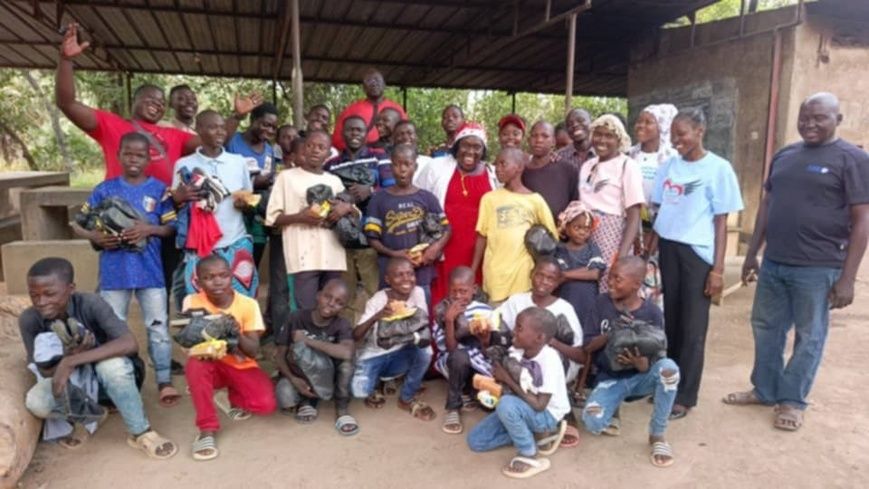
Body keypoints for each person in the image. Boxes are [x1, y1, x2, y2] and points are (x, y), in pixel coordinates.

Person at [724, 92, 869, 431]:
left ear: (838, 120)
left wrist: (848, 278)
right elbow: (768, 204)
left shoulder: (852, 159)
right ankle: (765, 389)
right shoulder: (786, 154)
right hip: (775, 261)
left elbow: (863, 219)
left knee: (809, 334)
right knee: (766, 328)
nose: (810, 124)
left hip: (818, 267)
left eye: (819, 118)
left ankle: (792, 400)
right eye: (805, 118)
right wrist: (751, 253)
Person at [20, 258, 177, 458]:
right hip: (74, 385)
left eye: (50, 294)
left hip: (110, 382)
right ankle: (91, 413)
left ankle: (141, 433)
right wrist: (67, 357)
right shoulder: (29, 319)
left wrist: (73, 360)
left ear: (71, 288)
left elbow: (129, 343)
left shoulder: (90, 303)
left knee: (112, 367)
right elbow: (42, 370)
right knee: (37, 402)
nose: (41, 302)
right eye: (34, 295)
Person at [649, 108, 743, 420]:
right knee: (671, 321)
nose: (676, 141)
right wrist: (648, 249)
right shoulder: (669, 167)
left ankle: (685, 396)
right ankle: (668, 384)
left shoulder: (718, 169)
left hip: (696, 255)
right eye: (672, 135)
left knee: (693, 327)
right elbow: (659, 211)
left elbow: (720, 222)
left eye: (682, 134)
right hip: (668, 248)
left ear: (700, 130)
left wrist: (717, 270)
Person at [73, 132, 180, 408]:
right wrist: (93, 237)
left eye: (140, 155)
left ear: (148, 158)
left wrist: (149, 229)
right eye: (128, 154)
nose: (134, 159)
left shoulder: (159, 190)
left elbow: (171, 227)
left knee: (158, 329)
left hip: (151, 272)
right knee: (114, 329)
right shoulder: (104, 190)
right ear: (119, 155)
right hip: (113, 273)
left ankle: (165, 382)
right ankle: (122, 382)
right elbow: (77, 222)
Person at [580, 257, 679, 468]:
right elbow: (587, 347)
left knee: (669, 370)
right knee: (593, 421)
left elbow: (656, 358)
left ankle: (657, 435)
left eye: (618, 279)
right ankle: (613, 404)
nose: (611, 283)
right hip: (609, 379)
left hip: (641, 378)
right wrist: (611, 333)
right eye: (611, 277)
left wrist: (640, 364)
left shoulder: (652, 313)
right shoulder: (601, 303)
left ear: (637, 284)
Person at [183, 255, 276, 461]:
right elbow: (188, 343)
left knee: (265, 404)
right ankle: (206, 429)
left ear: (231, 276)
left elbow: (252, 351)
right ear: (198, 282)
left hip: (240, 364)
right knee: (195, 364)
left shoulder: (248, 304)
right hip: (210, 364)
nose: (217, 282)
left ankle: (228, 397)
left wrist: (236, 332)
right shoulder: (192, 302)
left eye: (223, 276)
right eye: (209, 277)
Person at [467, 307, 570, 479]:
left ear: (539, 338)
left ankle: (529, 452)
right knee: (476, 441)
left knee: (506, 403)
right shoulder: (518, 349)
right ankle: (531, 435)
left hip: (546, 414)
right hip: (522, 407)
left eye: (519, 328)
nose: (514, 331)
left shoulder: (550, 360)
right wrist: (485, 343)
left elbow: (540, 405)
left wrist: (507, 379)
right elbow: (496, 359)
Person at [172, 110, 258, 301]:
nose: (220, 132)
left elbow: (249, 198)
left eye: (222, 127)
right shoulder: (183, 164)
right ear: (199, 129)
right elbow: (177, 205)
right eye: (213, 127)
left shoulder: (238, 162)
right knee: (201, 302)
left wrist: (244, 203)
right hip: (200, 245)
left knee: (241, 298)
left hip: (235, 241)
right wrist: (179, 198)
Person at [266, 130, 357, 310]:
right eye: (311, 146)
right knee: (304, 309)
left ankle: (326, 339)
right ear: (303, 149)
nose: (315, 150)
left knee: (330, 308)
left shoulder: (334, 181)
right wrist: (301, 217)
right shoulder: (286, 178)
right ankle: (301, 339)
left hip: (333, 254)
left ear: (329, 154)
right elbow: (273, 218)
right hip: (302, 256)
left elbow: (355, 214)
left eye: (321, 147)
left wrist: (345, 208)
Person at [417, 122, 498, 307]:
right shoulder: (436, 167)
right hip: (444, 246)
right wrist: (427, 243)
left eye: (477, 146)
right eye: (465, 145)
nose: (470, 151)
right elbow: (418, 199)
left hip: (478, 250)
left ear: (483, 150)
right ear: (456, 146)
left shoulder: (493, 174)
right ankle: (440, 334)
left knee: (472, 295)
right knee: (443, 292)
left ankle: (469, 334)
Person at [351, 257, 436, 421]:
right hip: (374, 356)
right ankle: (378, 381)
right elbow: (356, 335)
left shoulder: (417, 292)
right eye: (399, 275)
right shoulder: (377, 300)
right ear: (388, 280)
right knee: (359, 390)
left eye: (410, 274)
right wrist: (377, 316)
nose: (406, 279)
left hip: (400, 354)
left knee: (425, 351)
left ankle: (406, 398)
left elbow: (424, 327)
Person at [365, 144, 452, 302]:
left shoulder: (427, 198)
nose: (402, 169)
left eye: (407, 164)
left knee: (422, 317)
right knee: (392, 317)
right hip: (392, 276)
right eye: (397, 165)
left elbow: (446, 229)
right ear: (391, 167)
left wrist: (435, 248)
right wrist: (395, 254)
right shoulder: (379, 199)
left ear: (415, 166)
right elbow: (372, 239)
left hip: (421, 274)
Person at [274, 279, 359, 436]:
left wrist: (308, 341)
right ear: (318, 296)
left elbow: (347, 352)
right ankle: (308, 400)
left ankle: (342, 408)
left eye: (339, 302)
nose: (331, 303)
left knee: (347, 364)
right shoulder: (296, 318)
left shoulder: (342, 324)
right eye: (328, 297)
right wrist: (293, 379)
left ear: (343, 307)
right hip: (302, 377)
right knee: (284, 396)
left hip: (330, 376)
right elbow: (279, 355)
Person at [472, 148, 557, 304]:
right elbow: (482, 237)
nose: (498, 169)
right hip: (495, 278)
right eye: (496, 164)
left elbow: (552, 238)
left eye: (503, 164)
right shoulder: (489, 199)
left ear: (519, 167)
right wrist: (472, 271)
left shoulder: (535, 200)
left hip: (524, 279)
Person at [324, 115, 392, 306]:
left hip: (373, 237)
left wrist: (370, 190)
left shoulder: (378, 157)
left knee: (375, 291)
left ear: (365, 134)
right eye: (350, 129)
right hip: (342, 239)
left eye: (359, 130)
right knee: (345, 294)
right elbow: (326, 197)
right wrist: (343, 205)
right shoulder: (331, 164)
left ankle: (378, 333)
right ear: (343, 133)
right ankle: (348, 333)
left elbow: (392, 190)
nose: (354, 133)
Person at [580, 114, 644, 293]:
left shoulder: (627, 166)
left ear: (620, 139)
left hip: (612, 236)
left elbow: (634, 214)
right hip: (585, 234)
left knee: (610, 285)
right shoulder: (588, 166)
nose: (602, 140)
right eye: (598, 134)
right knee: (587, 285)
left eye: (609, 136)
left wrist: (621, 256)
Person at [433, 267, 499, 434]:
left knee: (489, 406)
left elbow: (489, 350)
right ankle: (453, 408)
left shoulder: (484, 310)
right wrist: (449, 320)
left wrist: (484, 339)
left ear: (474, 289)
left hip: (480, 362)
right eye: (453, 291)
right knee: (459, 357)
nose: (457, 296)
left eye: (463, 291)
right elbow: (450, 348)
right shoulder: (443, 310)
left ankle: (468, 391)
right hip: (454, 361)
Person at [497, 258, 584, 384]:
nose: (543, 282)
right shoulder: (517, 301)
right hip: (519, 362)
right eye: (540, 275)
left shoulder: (564, 309)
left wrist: (552, 342)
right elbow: (497, 326)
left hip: (551, 370)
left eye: (550, 279)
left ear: (557, 283)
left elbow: (581, 356)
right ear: (531, 274)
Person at [225, 103, 279, 267]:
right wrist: (254, 182)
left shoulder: (269, 150)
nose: (269, 130)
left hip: (256, 216)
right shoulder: (232, 141)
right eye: (265, 124)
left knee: (250, 265)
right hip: (232, 210)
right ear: (252, 120)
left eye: (273, 127)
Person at [555, 201, 606, 344]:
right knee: (565, 333)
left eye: (587, 229)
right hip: (566, 300)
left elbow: (595, 273)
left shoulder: (592, 248)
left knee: (585, 336)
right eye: (577, 227)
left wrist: (565, 275)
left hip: (587, 303)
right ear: (567, 227)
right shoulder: (559, 249)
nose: (582, 232)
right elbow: (556, 273)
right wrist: (583, 272)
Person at [628, 104, 678, 240]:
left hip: (662, 227)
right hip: (630, 223)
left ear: (662, 126)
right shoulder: (629, 154)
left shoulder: (672, 158)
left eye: (648, 122)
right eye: (639, 121)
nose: (640, 125)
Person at [332, 68, 407, 151]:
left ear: (384, 84)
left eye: (377, 80)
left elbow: (407, 135)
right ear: (364, 87)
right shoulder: (351, 109)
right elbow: (337, 139)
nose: (374, 83)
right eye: (369, 81)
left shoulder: (396, 109)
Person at [523, 120, 579, 218]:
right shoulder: (521, 170)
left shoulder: (568, 170)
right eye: (534, 136)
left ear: (553, 141)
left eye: (545, 136)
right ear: (528, 140)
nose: (539, 140)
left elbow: (575, 206)